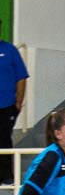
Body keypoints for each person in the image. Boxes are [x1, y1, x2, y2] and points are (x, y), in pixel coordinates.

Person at [0, 18, 29, 185]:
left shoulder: (10, 50)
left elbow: (21, 77)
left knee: (4, 139)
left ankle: (7, 176)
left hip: (6, 106)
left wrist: (19, 100)